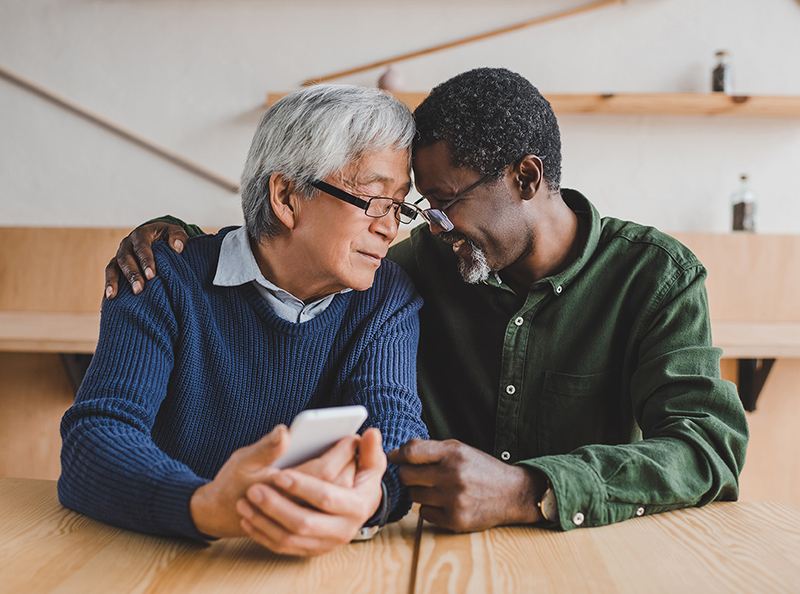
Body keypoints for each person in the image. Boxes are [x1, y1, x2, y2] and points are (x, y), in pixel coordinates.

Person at [104, 68, 748, 533]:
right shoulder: (411, 267)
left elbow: (708, 448)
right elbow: (277, 247)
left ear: (527, 178)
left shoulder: (653, 276)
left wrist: (531, 489)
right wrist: (174, 240)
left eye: (440, 205)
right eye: (412, 207)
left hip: (592, 552)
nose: (416, 227)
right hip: (418, 553)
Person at [59, 84, 429, 557]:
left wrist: (370, 500)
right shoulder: (163, 277)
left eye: (398, 205)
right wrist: (205, 505)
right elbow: (96, 438)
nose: (389, 226)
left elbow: (397, 430)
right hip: (163, 556)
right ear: (286, 196)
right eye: (374, 199)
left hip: (312, 562)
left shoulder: (386, 296)